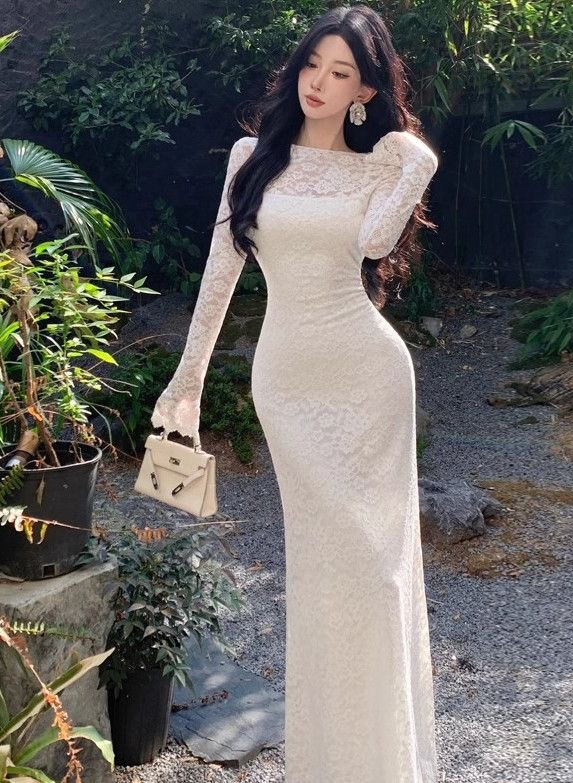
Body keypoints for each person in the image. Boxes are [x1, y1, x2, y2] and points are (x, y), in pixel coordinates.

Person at [151, 4, 440, 781]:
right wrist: (187, 379)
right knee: (320, 572)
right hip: (287, 381)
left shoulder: (377, 165)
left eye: (341, 72)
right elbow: (220, 271)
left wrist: (414, 161)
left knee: (376, 572)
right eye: (312, 63)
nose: (318, 82)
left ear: (365, 91)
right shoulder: (251, 156)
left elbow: (374, 242)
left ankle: (385, 762)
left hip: (369, 378)